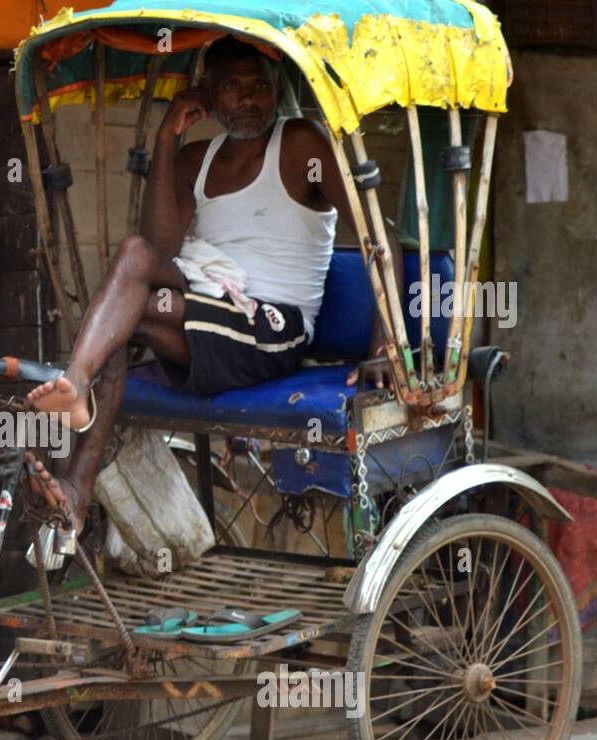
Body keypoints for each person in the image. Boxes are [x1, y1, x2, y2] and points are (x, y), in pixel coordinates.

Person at [26, 35, 400, 538]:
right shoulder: (196, 159)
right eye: (231, 87)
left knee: (130, 305)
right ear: (207, 93)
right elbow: (155, 254)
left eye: (258, 87)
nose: (248, 99)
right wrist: (167, 138)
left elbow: (382, 238)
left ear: (275, 90)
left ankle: (77, 408)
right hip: (207, 307)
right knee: (133, 262)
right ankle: (75, 463)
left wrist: (384, 347)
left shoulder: (301, 144)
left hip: (272, 329)